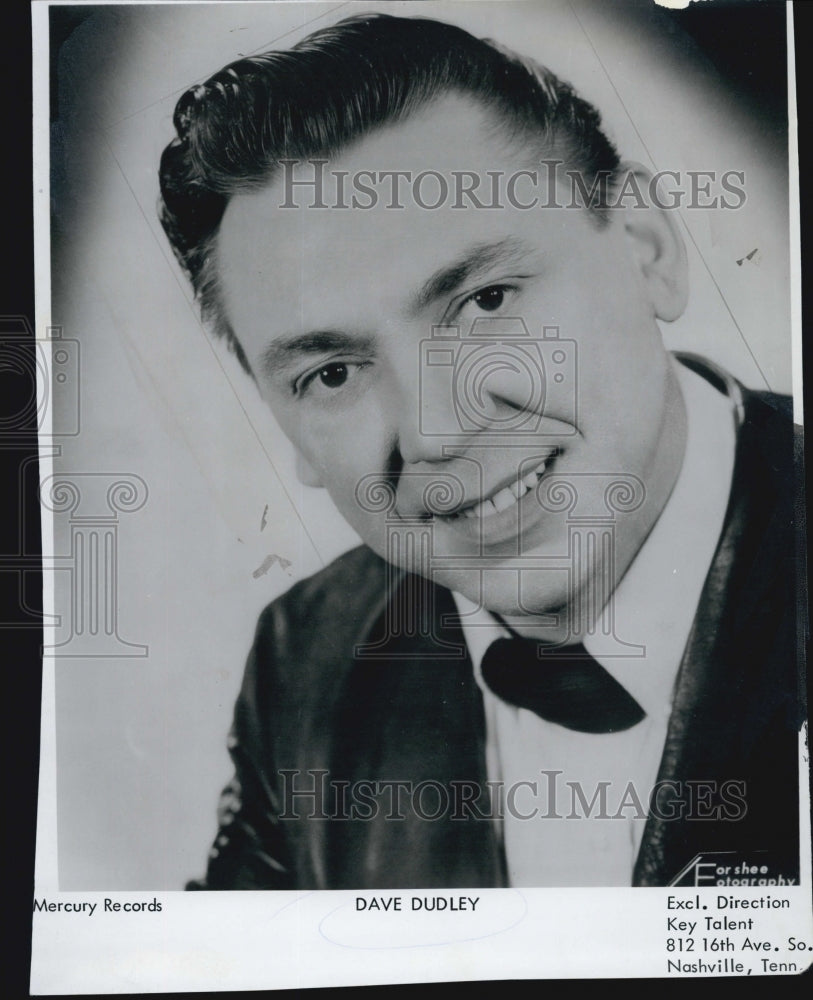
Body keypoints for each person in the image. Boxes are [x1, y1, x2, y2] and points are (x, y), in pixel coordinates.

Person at [158, 13, 803, 889]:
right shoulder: (307, 656)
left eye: (486, 300)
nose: (438, 434)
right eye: (335, 372)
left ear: (648, 250)